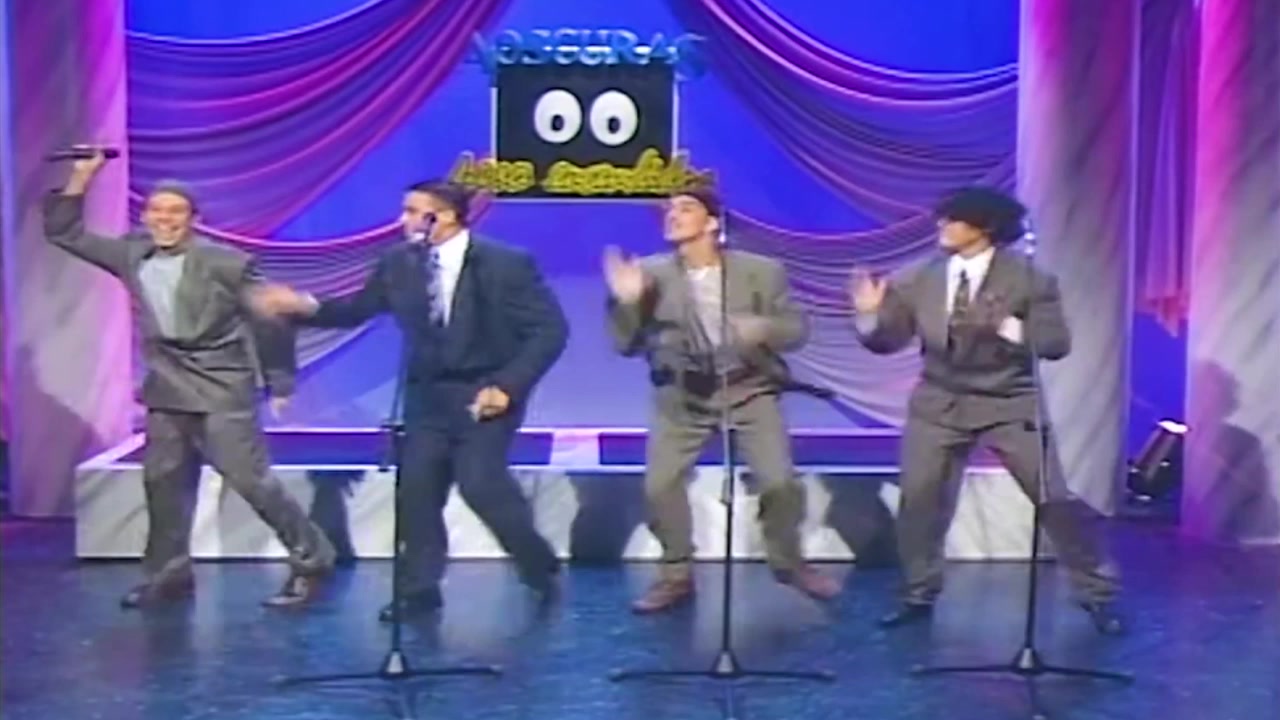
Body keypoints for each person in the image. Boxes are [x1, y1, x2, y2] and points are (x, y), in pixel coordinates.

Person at [252, 180, 567, 621]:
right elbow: (357, 310)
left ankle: (537, 565)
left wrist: (507, 386)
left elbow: (549, 331)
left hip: (486, 392)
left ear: (446, 216)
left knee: (481, 485)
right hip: (427, 396)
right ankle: (419, 590)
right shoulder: (399, 262)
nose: (403, 220)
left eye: (413, 211)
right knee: (417, 491)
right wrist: (303, 305)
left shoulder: (505, 263)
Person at [45, 150, 335, 610]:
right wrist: (83, 175)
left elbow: (269, 318)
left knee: (252, 481)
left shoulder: (226, 263)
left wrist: (279, 380)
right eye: (157, 211)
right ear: (146, 216)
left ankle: (312, 561)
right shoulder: (131, 253)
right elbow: (64, 232)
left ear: (194, 219)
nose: (165, 220)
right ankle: (169, 575)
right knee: (163, 484)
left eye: (176, 212)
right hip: (167, 386)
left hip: (221, 388)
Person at [850, 186, 1123, 634]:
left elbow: (1055, 344)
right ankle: (919, 592)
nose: (942, 225)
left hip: (1008, 401)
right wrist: (869, 315)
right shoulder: (918, 277)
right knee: (920, 502)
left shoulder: (1029, 279)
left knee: (1053, 498)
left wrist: (1006, 325)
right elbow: (887, 342)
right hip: (939, 402)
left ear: (985, 227)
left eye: (954, 219)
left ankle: (1096, 594)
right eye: (943, 217)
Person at [604, 186, 839, 614]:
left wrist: (762, 329)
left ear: (712, 222)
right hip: (681, 395)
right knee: (659, 485)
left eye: (686, 208)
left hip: (749, 388)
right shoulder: (649, 274)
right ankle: (676, 574)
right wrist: (628, 304)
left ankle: (788, 562)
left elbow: (796, 330)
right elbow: (624, 344)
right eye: (670, 209)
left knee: (779, 483)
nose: (673, 214)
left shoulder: (761, 271)